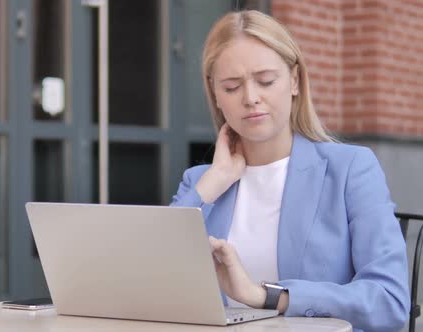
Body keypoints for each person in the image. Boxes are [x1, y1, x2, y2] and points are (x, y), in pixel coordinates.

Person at [170, 10, 409, 332]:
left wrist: (266, 296)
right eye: (231, 87)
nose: (251, 98)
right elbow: (147, 277)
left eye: (266, 81)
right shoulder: (199, 183)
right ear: (215, 94)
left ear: (295, 81)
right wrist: (214, 181)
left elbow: (389, 300)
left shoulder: (350, 168)